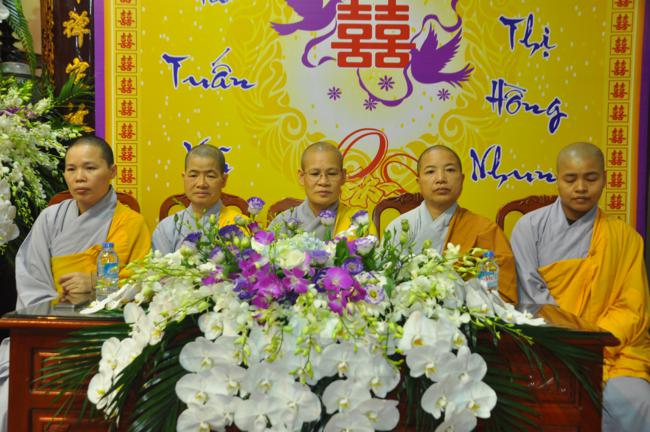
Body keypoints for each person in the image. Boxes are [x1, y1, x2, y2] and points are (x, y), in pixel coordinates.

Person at [0, 135, 151, 430]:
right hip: (48, 334)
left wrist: (96, 287)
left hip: (106, 338)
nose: (79, 177)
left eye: (90, 168)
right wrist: (57, 313)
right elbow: (31, 279)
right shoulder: (50, 218)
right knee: (9, 399)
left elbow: (144, 284)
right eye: (71, 169)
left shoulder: (131, 223)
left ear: (112, 171)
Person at [510, 142, 650, 431]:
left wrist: (592, 346)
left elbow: (632, 309)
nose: (581, 188)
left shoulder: (624, 238)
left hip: (610, 351)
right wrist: (570, 344)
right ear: (557, 180)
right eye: (571, 179)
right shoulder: (529, 228)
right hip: (547, 347)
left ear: (605, 178)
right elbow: (531, 299)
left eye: (591, 178)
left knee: (637, 400)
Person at [385, 145, 517, 303]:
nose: (441, 178)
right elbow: (384, 286)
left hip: (466, 315)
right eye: (430, 171)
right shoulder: (399, 227)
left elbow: (500, 293)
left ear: (462, 179)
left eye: (449, 170)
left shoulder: (484, 230)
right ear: (419, 181)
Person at [269, 142, 373, 239]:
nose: (323, 182)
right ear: (301, 177)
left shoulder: (359, 221)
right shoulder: (283, 221)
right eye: (315, 174)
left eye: (332, 173)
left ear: (343, 176)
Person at [152, 145, 242, 254]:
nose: (201, 184)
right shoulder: (167, 228)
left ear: (224, 180)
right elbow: (159, 264)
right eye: (193, 175)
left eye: (210, 176)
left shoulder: (239, 226)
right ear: (184, 178)